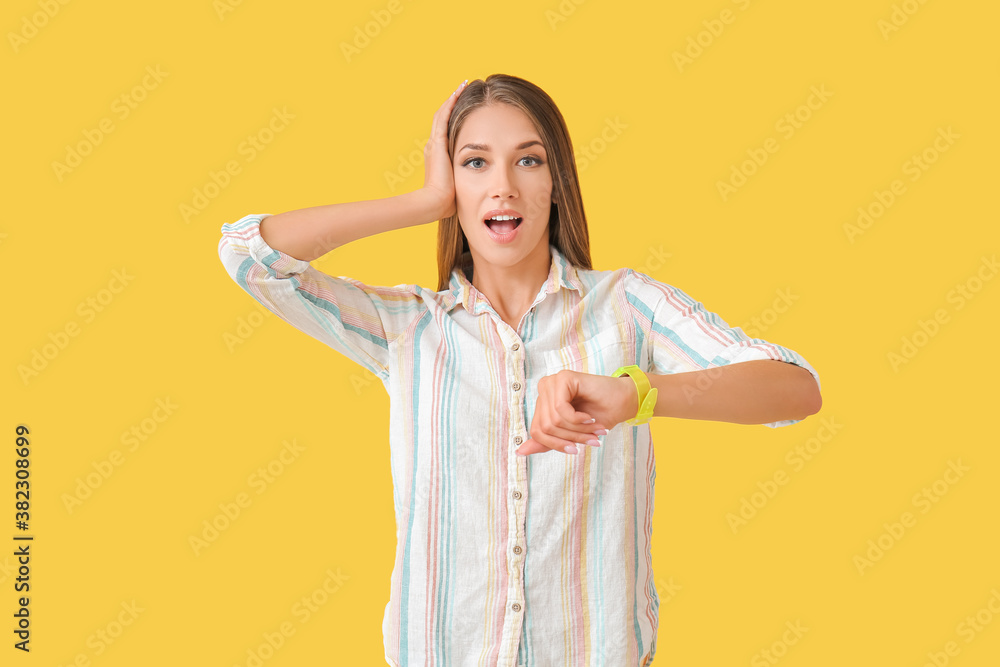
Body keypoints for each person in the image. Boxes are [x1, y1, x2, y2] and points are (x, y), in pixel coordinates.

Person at [217, 73, 822, 667]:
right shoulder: (408, 327)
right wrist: (423, 203)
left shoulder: (626, 306)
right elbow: (251, 257)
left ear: (557, 182)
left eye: (528, 161)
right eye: (475, 163)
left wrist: (633, 394)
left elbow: (794, 389)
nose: (502, 185)